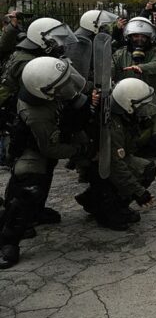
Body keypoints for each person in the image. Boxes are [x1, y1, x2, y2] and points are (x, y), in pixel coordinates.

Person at [0, 57, 92, 269]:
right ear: (45, 91)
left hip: (50, 139)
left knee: (47, 172)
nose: (65, 88)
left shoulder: (47, 84)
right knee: (29, 185)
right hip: (31, 150)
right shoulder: (35, 113)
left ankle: (36, 212)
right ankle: (8, 240)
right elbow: (50, 148)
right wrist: (80, 149)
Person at [112, 17, 156, 201]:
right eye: (135, 36)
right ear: (129, 36)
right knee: (122, 147)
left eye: (143, 36)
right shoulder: (120, 54)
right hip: (127, 108)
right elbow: (109, 72)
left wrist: (140, 68)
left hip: (154, 104)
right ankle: (122, 189)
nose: (139, 40)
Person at [75, 78, 156, 231]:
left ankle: (92, 199)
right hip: (99, 166)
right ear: (128, 105)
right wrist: (139, 192)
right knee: (141, 170)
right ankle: (107, 212)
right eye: (141, 106)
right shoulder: (113, 125)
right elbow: (115, 165)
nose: (144, 109)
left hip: (107, 162)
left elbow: (128, 149)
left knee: (139, 168)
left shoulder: (123, 116)